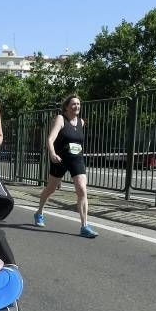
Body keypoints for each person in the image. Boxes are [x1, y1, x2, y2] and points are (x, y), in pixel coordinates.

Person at [33, 95, 98, 238]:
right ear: (67, 107)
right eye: (74, 104)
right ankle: (39, 212)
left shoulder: (81, 122)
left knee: (82, 189)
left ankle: (84, 225)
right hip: (60, 159)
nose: (77, 106)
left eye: (79, 104)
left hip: (76, 159)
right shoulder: (60, 119)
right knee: (50, 189)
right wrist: (52, 154)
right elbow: (50, 139)